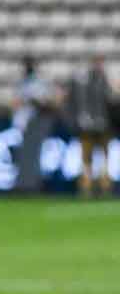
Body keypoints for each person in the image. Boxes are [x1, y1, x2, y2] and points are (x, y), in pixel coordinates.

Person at [65, 56, 114, 198]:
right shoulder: (88, 81)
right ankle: (87, 187)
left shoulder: (100, 81)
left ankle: (102, 187)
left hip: (102, 125)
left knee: (103, 158)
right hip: (91, 126)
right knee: (87, 158)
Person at [11, 56, 57, 194]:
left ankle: (31, 185)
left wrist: (32, 101)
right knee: (25, 155)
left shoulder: (38, 82)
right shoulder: (23, 83)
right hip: (24, 122)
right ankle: (25, 184)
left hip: (35, 121)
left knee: (32, 154)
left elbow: (44, 101)